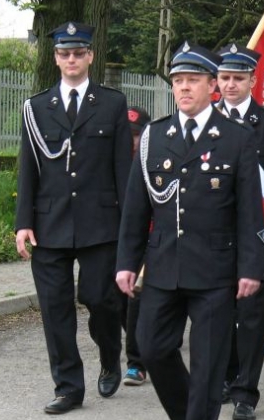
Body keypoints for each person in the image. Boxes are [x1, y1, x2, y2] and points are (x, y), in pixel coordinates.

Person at [114, 41, 264, 420]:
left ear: (212, 85)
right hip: (164, 264)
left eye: (192, 80)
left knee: (209, 362)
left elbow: (250, 212)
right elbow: (136, 207)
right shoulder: (154, 136)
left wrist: (251, 267)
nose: (183, 87)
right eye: (178, 80)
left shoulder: (236, 137)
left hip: (215, 268)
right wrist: (126, 262)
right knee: (151, 347)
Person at [14, 21, 131, 415]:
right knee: (55, 309)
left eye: (78, 53)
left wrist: (129, 230)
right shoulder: (35, 107)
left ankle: (111, 354)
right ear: (56, 58)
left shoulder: (112, 104)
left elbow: (122, 170)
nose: (71, 60)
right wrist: (22, 222)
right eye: (64, 54)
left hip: (101, 224)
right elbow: (27, 169)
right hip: (49, 224)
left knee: (101, 300)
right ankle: (68, 388)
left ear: (90, 56)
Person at [213, 43, 264, 420]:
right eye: (225, 77)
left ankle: (246, 391)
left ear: (252, 80)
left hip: (257, 236)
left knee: (251, 315)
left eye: (238, 78)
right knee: (217, 312)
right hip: (213, 236)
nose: (230, 85)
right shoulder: (204, 119)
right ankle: (227, 378)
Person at [121, 105, 151, 386]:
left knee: (137, 298)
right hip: (113, 238)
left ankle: (136, 363)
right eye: (128, 135)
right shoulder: (110, 160)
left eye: (137, 135)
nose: (132, 141)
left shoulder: (152, 157)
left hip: (150, 239)